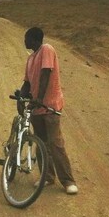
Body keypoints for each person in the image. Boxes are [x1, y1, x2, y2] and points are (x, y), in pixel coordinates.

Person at [20, 26, 78, 195]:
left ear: (33, 39)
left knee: (55, 143)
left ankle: (68, 181)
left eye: (26, 38)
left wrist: (39, 98)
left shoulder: (46, 49)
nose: (24, 41)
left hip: (50, 106)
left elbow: (46, 72)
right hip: (37, 109)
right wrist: (21, 99)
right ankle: (47, 176)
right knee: (41, 144)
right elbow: (27, 84)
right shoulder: (30, 59)